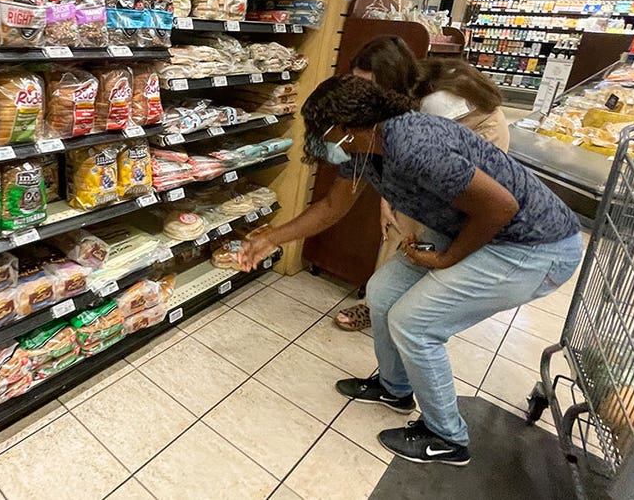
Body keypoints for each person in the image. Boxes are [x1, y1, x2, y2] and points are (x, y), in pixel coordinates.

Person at [238, 76, 582, 465]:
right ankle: (394, 388)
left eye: (323, 131)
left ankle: (447, 437)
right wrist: (273, 238)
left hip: (532, 245)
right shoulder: (362, 150)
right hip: (475, 229)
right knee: (383, 292)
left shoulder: (414, 147)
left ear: (348, 129)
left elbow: (500, 208)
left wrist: (448, 258)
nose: (321, 141)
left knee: (415, 324)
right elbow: (334, 206)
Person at [336, 37, 510, 331]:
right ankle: (377, 303)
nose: (363, 95)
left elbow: (411, 161)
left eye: (368, 86)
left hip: (479, 132)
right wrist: (387, 199)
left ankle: (411, 309)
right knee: (396, 221)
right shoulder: (407, 87)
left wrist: (391, 196)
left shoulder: (431, 105)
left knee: (437, 219)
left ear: (390, 79)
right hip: (444, 133)